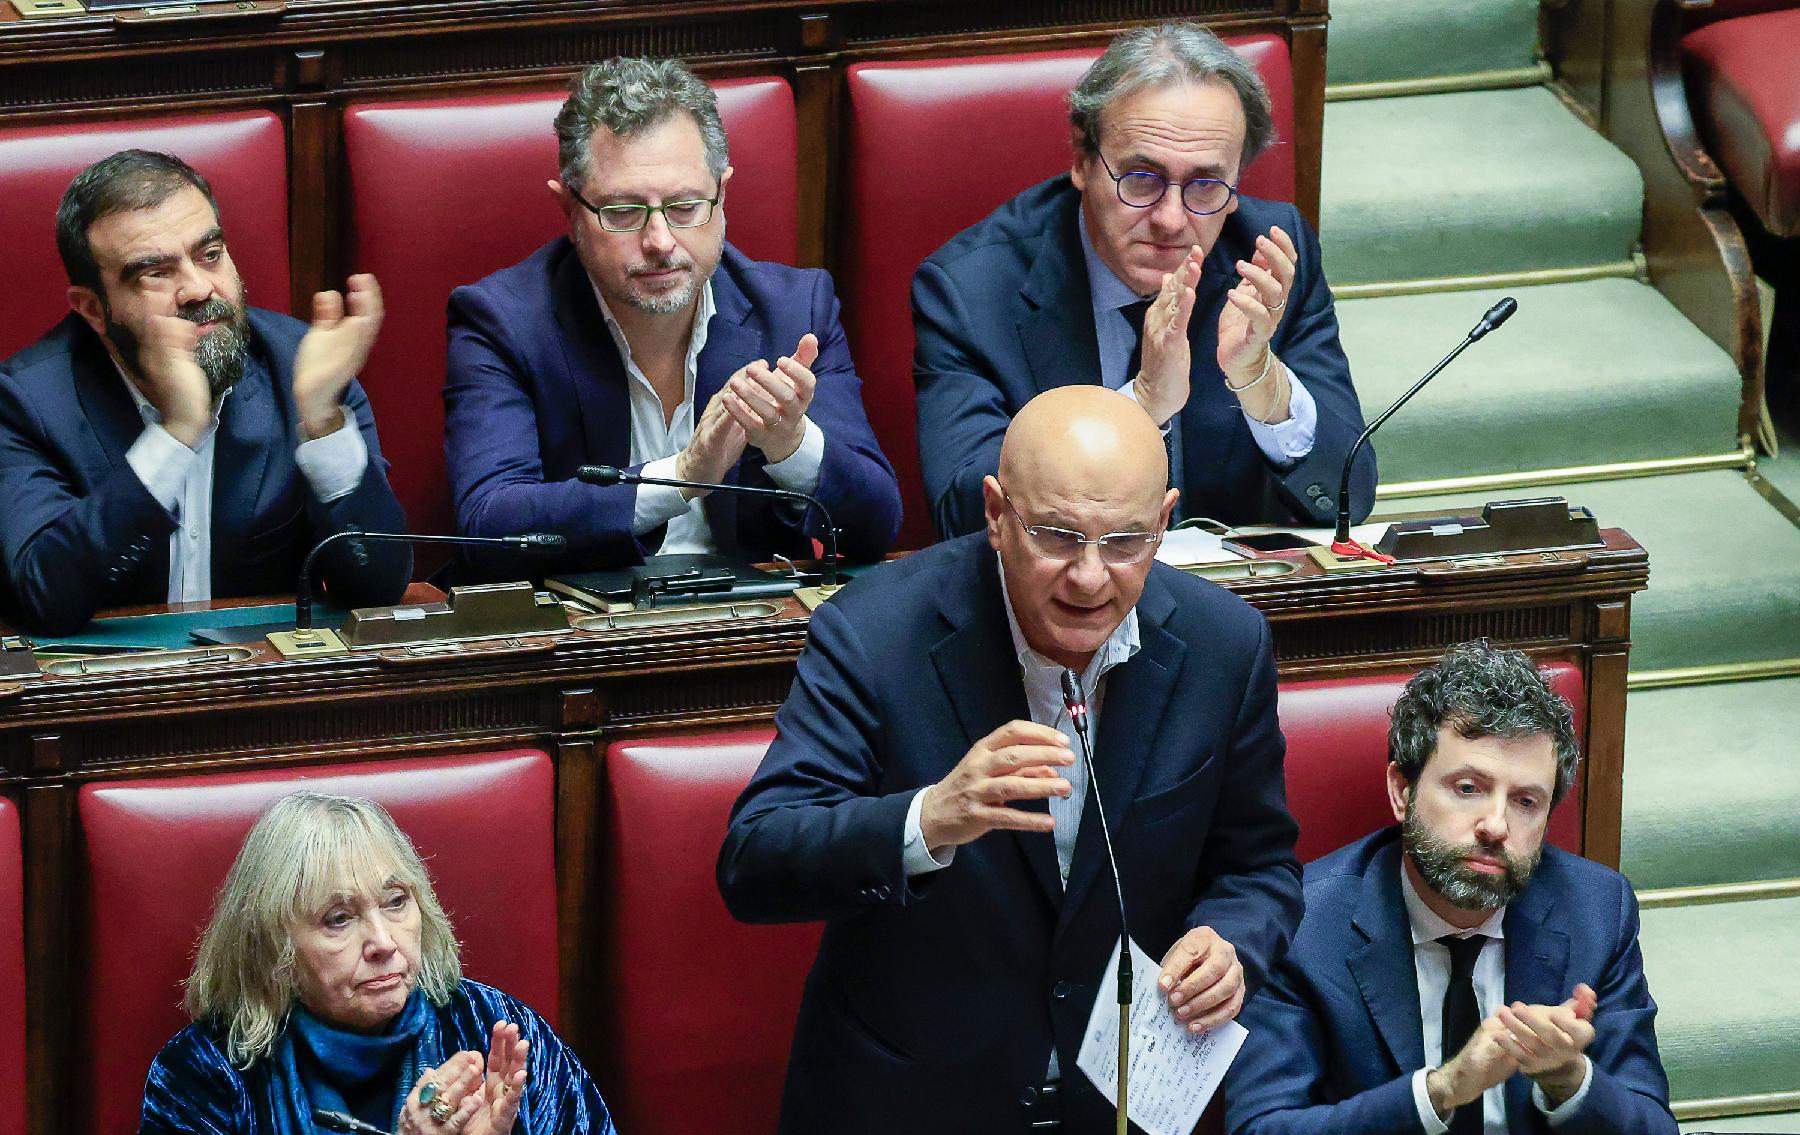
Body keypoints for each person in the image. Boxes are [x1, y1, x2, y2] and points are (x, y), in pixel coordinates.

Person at [718, 385, 1302, 1135]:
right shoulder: (875, 633)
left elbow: (1260, 866)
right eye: (1058, 537)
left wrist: (1231, 943)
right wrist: (928, 820)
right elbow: (756, 858)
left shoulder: (1223, 645)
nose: (1090, 577)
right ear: (996, 513)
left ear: (1164, 522)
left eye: (1125, 542)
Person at [1222, 642, 1678, 1135]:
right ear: (1402, 791)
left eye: (1526, 802)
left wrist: (1568, 1079)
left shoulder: (1596, 910)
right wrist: (1444, 1090)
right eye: (1468, 789)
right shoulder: (1302, 923)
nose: (1495, 825)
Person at [913, 21, 1374, 540]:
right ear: (1082, 160)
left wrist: (1262, 382)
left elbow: (1349, 496)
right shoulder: (970, 291)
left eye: (1206, 184)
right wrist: (1142, 405)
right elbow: (963, 515)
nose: (1171, 220)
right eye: (1141, 179)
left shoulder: (1267, 259)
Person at [444, 56, 901, 578]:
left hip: (756, 621)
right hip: (582, 623)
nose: (660, 242)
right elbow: (487, 528)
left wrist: (790, 445)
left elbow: (877, 526)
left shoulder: (795, 309)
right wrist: (681, 475)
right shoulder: (501, 322)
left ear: (722, 194)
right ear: (569, 210)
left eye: (685, 206)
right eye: (623, 211)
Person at [134, 790, 633, 1135]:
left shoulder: (493, 1029)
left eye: (396, 902)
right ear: (273, 948)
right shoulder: (204, 1076)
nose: (384, 942)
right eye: (338, 918)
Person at [0, 150, 411, 636]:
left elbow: (378, 589)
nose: (198, 288)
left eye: (209, 255)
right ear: (93, 309)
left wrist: (323, 423)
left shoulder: (304, 368)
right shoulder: (26, 402)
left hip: (263, 676)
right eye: (156, 272)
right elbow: (44, 595)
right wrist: (174, 435)